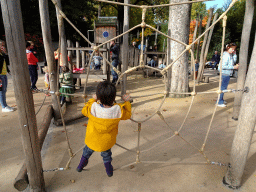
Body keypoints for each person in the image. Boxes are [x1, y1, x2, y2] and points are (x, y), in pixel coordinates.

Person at [77, 81, 131, 177]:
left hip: (92, 139)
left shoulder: (93, 107)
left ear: (98, 96)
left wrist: (92, 100)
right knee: (106, 156)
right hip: (106, 141)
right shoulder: (118, 109)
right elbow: (128, 115)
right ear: (114, 97)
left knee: (86, 152)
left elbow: (84, 110)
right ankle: (109, 172)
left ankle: (80, 166)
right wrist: (127, 101)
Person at [218, 43, 239, 107]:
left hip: (227, 73)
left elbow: (233, 61)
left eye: (234, 49)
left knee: (223, 87)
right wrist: (233, 67)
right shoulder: (226, 55)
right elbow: (223, 66)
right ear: (228, 48)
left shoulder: (229, 54)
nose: (233, 50)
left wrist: (235, 55)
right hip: (225, 73)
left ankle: (220, 99)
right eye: (232, 49)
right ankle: (219, 102)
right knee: (223, 88)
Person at [0, 40, 14, 112]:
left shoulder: (2, 55)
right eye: (2, 45)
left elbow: (8, 62)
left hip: (4, 74)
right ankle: (3, 107)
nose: (3, 47)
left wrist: (5, 53)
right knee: (1, 91)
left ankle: (5, 105)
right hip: (0, 76)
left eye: (4, 45)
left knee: (4, 91)